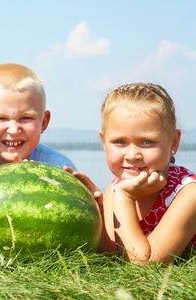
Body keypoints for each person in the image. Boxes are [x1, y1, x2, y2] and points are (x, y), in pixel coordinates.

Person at [65, 83, 196, 265]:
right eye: (119, 142)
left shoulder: (188, 194)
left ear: (173, 143)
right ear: (103, 142)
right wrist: (98, 205)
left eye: (147, 142)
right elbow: (112, 255)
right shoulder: (117, 185)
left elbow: (145, 267)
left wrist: (124, 198)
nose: (132, 155)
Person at [0, 63, 75, 168]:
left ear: (43, 122)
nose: (14, 130)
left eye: (25, 118)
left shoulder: (59, 167)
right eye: (1, 118)